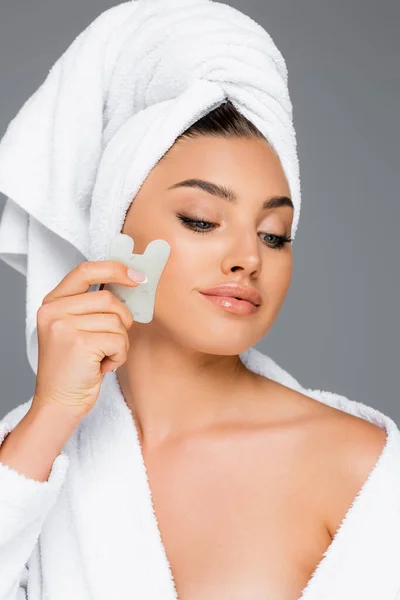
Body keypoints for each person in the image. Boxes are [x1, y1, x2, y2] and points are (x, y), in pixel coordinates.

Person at [0, 99, 388, 600]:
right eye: (202, 221)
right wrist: (51, 414)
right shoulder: (30, 457)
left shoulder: (357, 464)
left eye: (274, 235)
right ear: (111, 232)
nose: (249, 258)